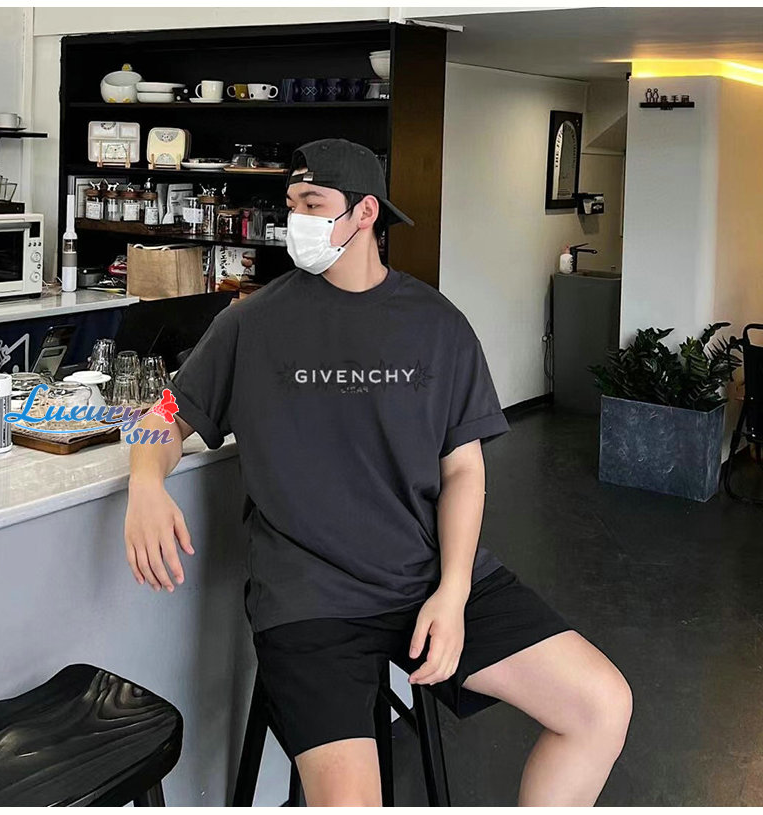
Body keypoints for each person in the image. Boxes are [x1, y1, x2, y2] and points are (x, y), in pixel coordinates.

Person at [124, 138, 632, 806]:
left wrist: (453, 592)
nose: (294, 220)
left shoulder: (438, 325)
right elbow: (161, 413)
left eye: (312, 204)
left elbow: (464, 471)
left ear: (365, 213)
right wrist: (145, 482)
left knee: (601, 705)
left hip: (424, 576)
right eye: (291, 204)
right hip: (310, 600)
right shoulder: (250, 322)